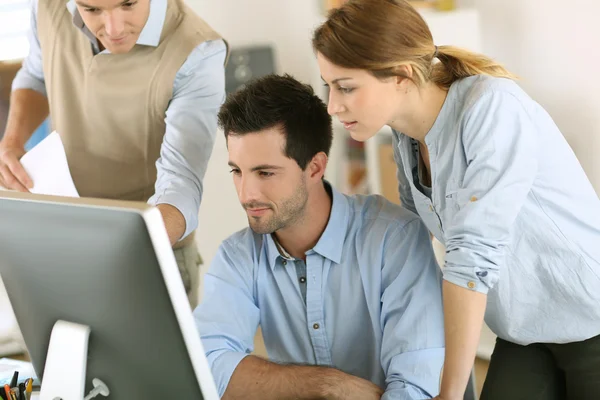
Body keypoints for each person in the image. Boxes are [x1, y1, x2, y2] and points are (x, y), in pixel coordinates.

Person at [313, 0, 600, 399]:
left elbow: (470, 259)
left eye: (346, 87)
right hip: (523, 330)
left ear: (401, 74)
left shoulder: (491, 107)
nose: (332, 105)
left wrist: (447, 395)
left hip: (590, 315)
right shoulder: (406, 138)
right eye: (328, 85)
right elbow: (415, 245)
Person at [194, 74, 445, 399]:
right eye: (237, 171)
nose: (246, 193)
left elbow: (417, 388)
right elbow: (207, 363)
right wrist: (329, 385)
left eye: (265, 173)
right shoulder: (238, 255)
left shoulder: (394, 239)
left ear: (314, 168)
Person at [0, 0, 229, 307]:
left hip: (151, 253)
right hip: (63, 242)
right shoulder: (46, 6)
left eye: (128, 4)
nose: (113, 28)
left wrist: (119, 250)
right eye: (91, 9)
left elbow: (181, 187)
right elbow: (37, 75)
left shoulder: (197, 52)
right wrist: (12, 140)